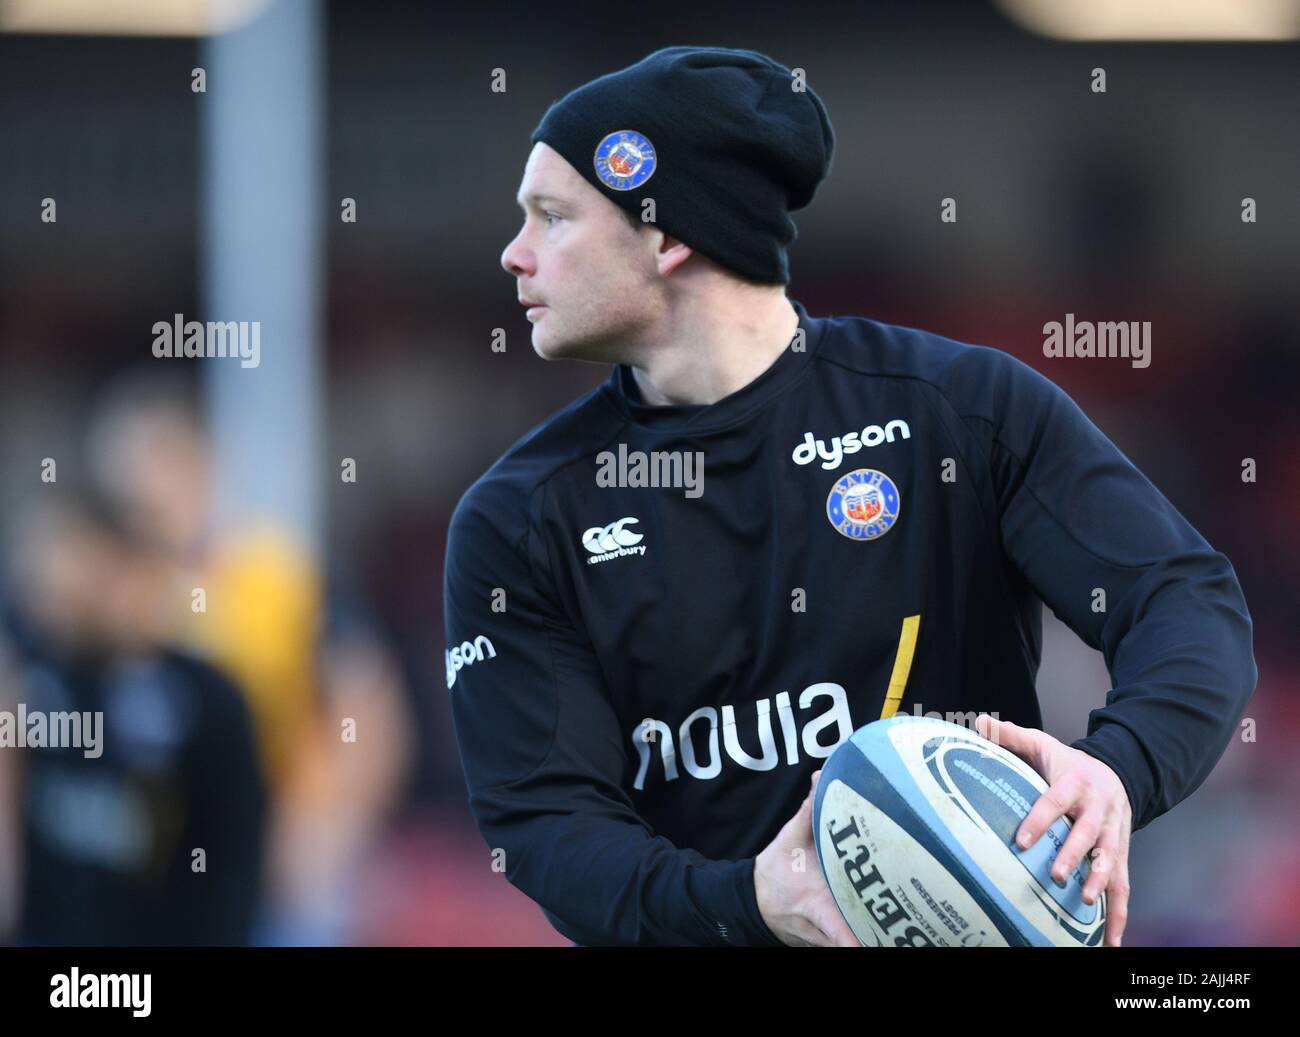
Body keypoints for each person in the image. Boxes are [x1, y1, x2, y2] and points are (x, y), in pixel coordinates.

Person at [443, 45, 1256, 947]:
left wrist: (1116, 771)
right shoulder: (520, 517)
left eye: (552, 217)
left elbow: (1188, 601)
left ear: (669, 236)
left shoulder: (958, 411)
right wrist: (746, 898)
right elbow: (546, 826)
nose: (514, 255)